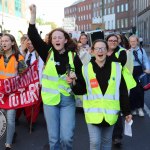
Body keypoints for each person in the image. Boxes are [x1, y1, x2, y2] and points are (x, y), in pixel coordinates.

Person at [28, 4, 77, 149]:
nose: (57, 39)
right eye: (54, 37)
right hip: (50, 102)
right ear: (51, 41)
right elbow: (33, 35)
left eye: (60, 37)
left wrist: (75, 80)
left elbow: (83, 81)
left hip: (67, 101)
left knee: (67, 138)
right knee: (54, 140)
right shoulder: (46, 52)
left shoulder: (74, 56)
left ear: (65, 40)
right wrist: (33, 15)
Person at [70, 39, 132, 150]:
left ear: (107, 51)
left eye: (103, 48)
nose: (100, 51)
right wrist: (74, 82)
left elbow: (122, 90)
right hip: (92, 113)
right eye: (97, 48)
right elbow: (81, 90)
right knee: (95, 142)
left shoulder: (117, 67)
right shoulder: (86, 68)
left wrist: (127, 111)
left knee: (106, 142)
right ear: (92, 51)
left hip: (110, 112)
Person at [106, 34, 136, 146]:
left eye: (115, 40)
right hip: (103, 84)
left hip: (118, 82)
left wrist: (105, 56)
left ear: (118, 42)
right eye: (110, 40)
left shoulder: (122, 52)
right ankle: (107, 133)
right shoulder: (102, 50)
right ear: (106, 41)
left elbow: (119, 63)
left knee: (117, 110)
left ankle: (117, 136)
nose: (113, 42)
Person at [0, 33, 26, 150]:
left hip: (12, 94)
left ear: (13, 43)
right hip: (0, 93)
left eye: (6, 41)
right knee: (2, 118)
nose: (3, 43)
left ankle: (8, 145)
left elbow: (25, 76)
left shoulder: (19, 58)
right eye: (2, 41)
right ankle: (11, 134)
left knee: (10, 118)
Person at [129, 35, 150, 117]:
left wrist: (148, 69)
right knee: (133, 90)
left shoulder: (142, 50)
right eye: (131, 41)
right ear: (129, 42)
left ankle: (140, 108)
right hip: (131, 72)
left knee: (140, 90)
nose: (133, 43)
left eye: (134, 41)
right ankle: (133, 108)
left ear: (137, 41)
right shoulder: (127, 51)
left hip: (140, 71)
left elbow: (145, 61)